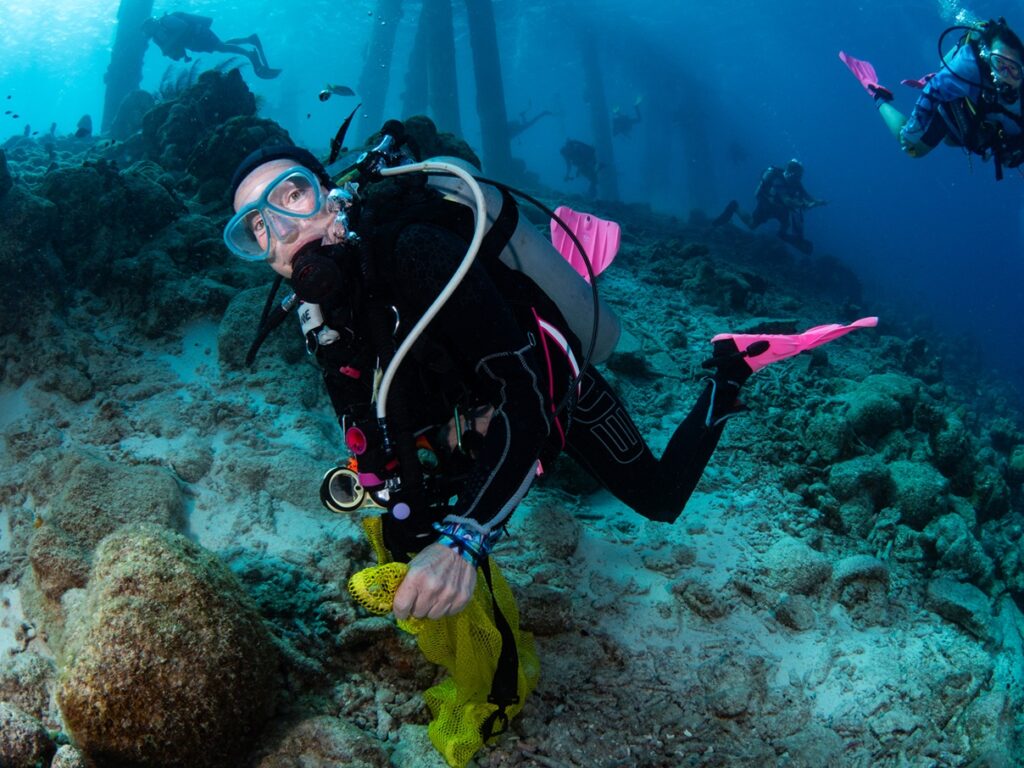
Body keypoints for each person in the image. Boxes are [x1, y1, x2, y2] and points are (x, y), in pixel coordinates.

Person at [225, 137, 868, 623]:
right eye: (257, 227)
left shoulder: (416, 251)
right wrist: (397, 496)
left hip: (549, 385)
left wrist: (464, 538)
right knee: (404, 533)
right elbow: (367, 421)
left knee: (662, 500)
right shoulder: (318, 316)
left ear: (330, 195)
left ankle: (731, 372)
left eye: (290, 196)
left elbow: (526, 400)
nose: (283, 232)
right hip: (469, 413)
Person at [840, 17, 1024, 179]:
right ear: (987, 57)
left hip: (981, 117)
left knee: (954, 141)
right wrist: (911, 133)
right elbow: (933, 91)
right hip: (953, 105)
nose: (1004, 75)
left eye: (1013, 69)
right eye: (999, 64)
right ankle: (876, 94)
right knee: (914, 150)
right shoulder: (969, 64)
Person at [713, 159, 827, 255]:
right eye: (798, 175)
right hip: (768, 205)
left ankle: (782, 234)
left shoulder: (795, 182)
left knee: (785, 224)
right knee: (752, 224)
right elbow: (787, 200)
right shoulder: (778, 180)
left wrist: (818, 201)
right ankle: (734, 206)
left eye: (800, 176)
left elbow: (806, 195)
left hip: (779, 207)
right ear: (791, 173)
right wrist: (805, 204)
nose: (800, 178)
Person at [142, 12, 282, 80]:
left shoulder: (166, 21)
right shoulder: (157, 37)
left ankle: (249, 55)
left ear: (152, 24)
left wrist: (170, 44)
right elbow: (167, 50)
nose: (148, 32)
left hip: (199, 34)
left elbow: (183, 27)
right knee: (221, 46)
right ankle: (249, 39)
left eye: (148, 28)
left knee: (221, 47)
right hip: (195, 42)